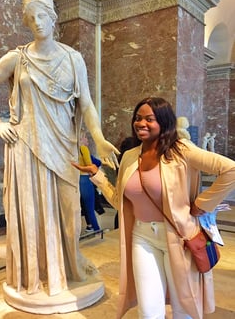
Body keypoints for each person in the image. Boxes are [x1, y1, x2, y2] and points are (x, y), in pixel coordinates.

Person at [0, 0, 118, 297]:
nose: (37, 23)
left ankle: (65, 266)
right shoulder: (18, 58)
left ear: (54, 18)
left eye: (42, 16)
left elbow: (87, 104)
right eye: (31, 18)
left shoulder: (73, 59)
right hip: (25, 145)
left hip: (63, 146)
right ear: (26, 22)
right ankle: (37, 274)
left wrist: (97, 137)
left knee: (68, 212)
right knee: (32, 212)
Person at [72, 97, 235, 319]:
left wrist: (201, 205)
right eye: (138, 118)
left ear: (164, 122)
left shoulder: (182, 151)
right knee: (148, 311)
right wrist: (96, 176)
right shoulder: (130, 157)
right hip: (142, 237)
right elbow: (120, 200)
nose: (141, 124)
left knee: (182, 308)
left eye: (149, 119)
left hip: (178, 238)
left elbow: (230, 170)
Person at [79, 133, 101, 233]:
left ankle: (90, 226)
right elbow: (89, 164)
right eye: (85, 137)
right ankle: (97, 230)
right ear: (81, 138)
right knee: (90, 207)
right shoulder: (83, 148)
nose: (86, 139)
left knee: (84, 205)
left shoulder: (72, 149)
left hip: (77, 179)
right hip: (85, 178)